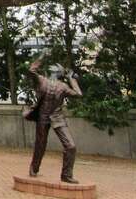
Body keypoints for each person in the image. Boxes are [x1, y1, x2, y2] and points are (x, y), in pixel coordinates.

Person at [25, 54, 83, 184]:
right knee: (40, 145)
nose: (51, 70)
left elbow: (79, 94)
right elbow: (31, 70)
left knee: (71, 146)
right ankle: (34, 168)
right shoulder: (42, 80)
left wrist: (71, 79)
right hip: (42, 116)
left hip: (57, 117)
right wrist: (42, 57)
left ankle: (66, 175)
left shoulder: (63, 86)